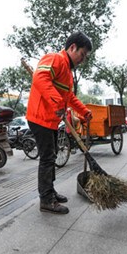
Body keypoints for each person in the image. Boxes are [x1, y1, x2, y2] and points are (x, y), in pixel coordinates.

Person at [26, 31, 93, 214]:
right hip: (40, 118)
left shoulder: (68, 73)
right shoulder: (54, 59)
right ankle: (46, 200)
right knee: (47, 158)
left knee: (52, 156)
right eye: (82, 54)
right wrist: (57, 103)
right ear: (72, 47)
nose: (83, 59)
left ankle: (50, 192)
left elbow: (69, 97)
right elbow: (40, 78)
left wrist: (84, 111)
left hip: (51, 120)